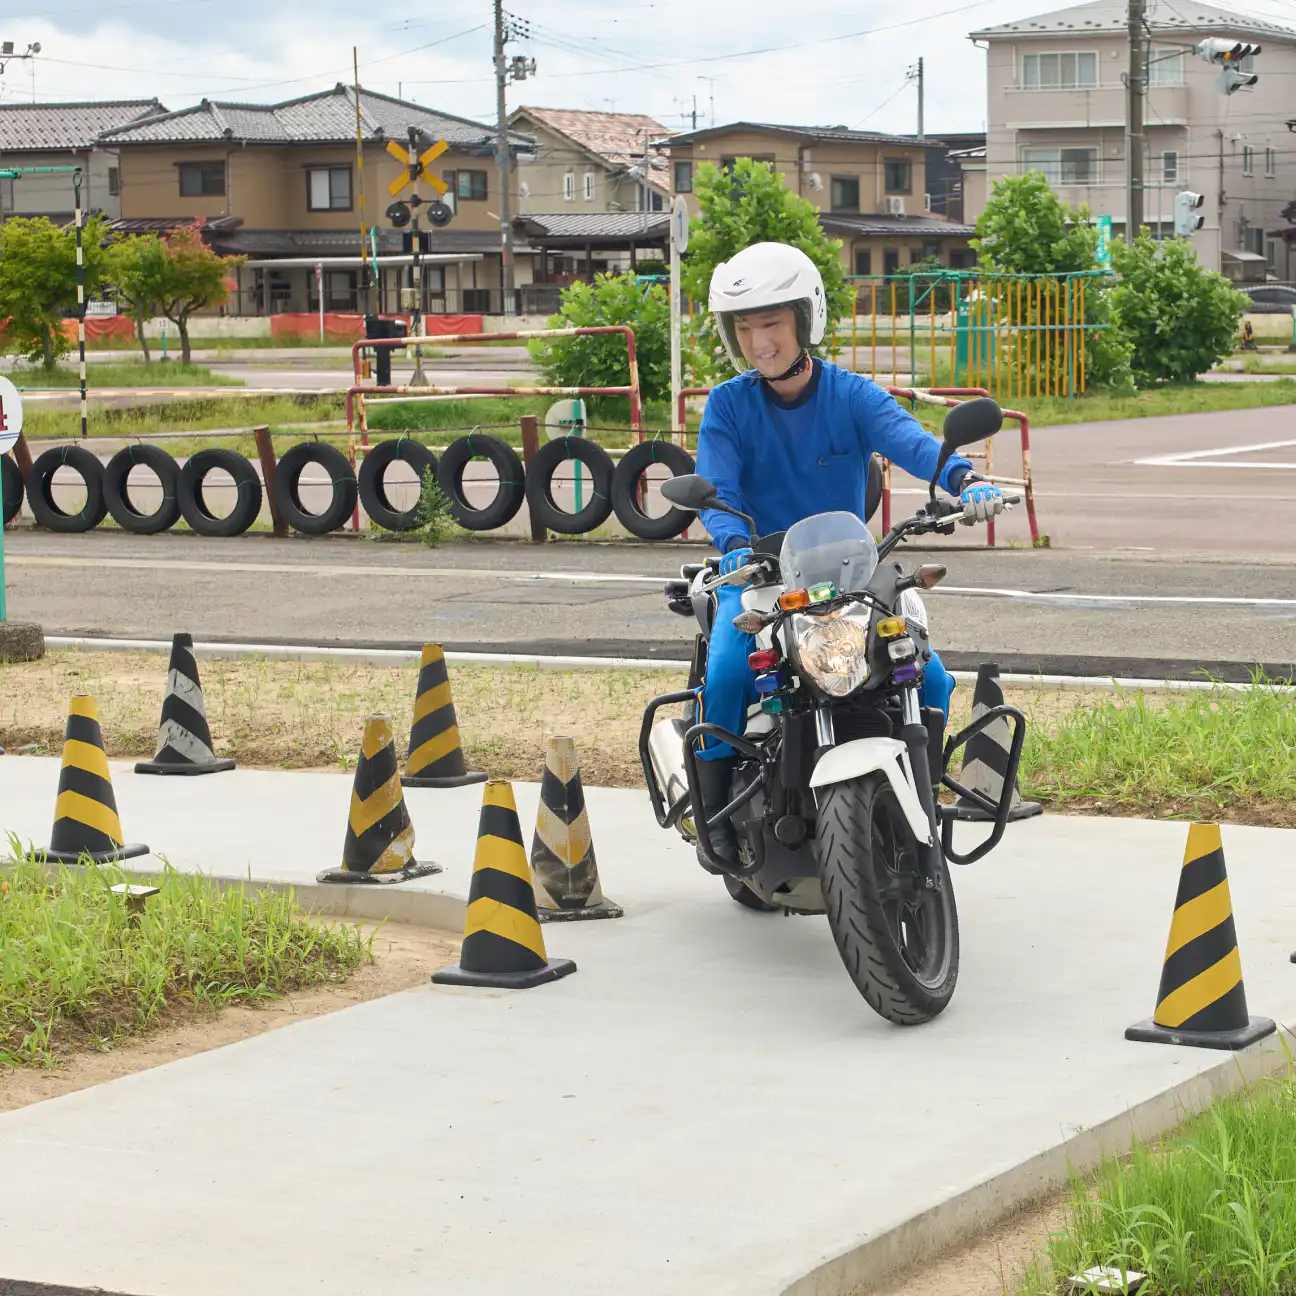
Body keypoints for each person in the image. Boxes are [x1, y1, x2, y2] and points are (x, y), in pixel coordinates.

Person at [692, 241, 1004, 866]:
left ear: (805, 319)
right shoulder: (728, 405)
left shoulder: (851, 394)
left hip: (848, 574)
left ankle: (920, 797)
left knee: (931, 675)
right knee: (727, 674)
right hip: (758, 576)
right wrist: (731, 548)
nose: (760, 343)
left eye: (773, 324)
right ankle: (715, 816)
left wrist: (965, 481)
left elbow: (911, 441)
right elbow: (717, 491)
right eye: (746, 328)